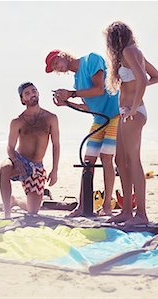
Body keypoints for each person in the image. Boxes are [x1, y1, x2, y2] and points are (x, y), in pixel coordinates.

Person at [45, 49, 119, 216]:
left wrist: (71, 94)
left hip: (115, 115)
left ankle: (107, 206)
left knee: (106, 157)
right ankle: (82, 206)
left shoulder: (91, 60)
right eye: (54, 67)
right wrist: (68, 104)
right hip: (99, 120)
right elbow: (88, 107)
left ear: (63, 55)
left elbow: (99, 89)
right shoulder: (77, 82)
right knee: (87, 161)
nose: (57, 67)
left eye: (56, 62)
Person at [104, 21, 158, 226]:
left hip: (133, 114)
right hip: (126, 113)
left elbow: (144, 80)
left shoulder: (129, 51)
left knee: (133, 160)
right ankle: (127, 210)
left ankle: (141, 214)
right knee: (120, 160)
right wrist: (134, 88)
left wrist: (135, 106)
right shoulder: (133, 53)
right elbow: (156, 77)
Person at [0, 82, 60, 218]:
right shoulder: (17, 121)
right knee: (5, 167)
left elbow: (56, 145)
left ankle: (15, 201)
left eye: (34, 91)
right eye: (27, 93)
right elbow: (10, 147)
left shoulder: (51, 118)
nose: (32, 94)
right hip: (20, 160)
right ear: (22, 99)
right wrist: (16, 160)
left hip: (37, 166)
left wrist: (54, 170)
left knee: (33, 211)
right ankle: (7, 212)